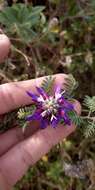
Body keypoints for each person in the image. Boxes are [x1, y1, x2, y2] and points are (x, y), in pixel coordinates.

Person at [0, 33, 81, 190]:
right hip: (44, 108)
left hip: (51, 107)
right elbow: (36, 99)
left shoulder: (55, 106)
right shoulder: (41, 105)